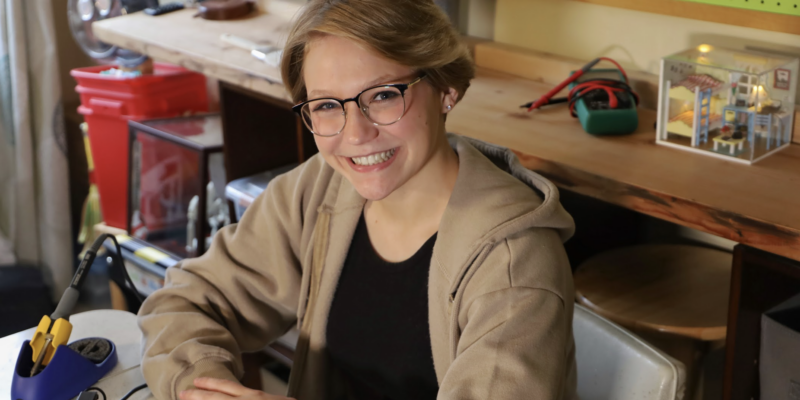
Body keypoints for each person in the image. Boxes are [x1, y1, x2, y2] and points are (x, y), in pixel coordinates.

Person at [138, 0, 578, 399]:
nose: (355, 134)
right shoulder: (318, 189)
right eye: (327, 105)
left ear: (447, 90)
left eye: (384, 95)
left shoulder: (514, 260)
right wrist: (199, 386)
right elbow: (186, 299)